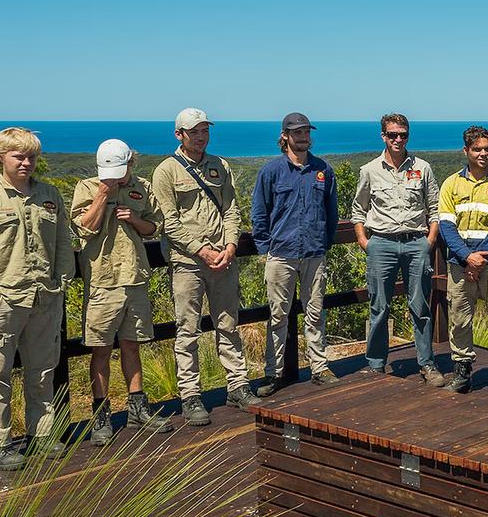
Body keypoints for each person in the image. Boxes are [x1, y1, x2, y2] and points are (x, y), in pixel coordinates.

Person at [0, 127, 75, 470]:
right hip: (3, 302)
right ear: (0, 158)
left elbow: (63, 245)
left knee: (42, 370)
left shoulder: (49, 194)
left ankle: (42, 433)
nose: (26, 163)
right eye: (18, 156)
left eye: (31, 157)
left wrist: (61, 282)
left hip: (45, 298)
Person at [152, 108, 261, 427]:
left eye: (205, 131)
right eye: (194, 131)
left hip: (223, 260)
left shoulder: (220, 166)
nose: (201, 137)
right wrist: (201, 250)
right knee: (187, 329)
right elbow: (168, 223)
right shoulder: (166, 171)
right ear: (179, 134)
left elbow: (231, 210)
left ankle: (238, 385)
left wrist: (229, 247)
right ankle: (190, 395)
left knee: (228, 324)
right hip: (187, 263)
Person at [71, 139, 172, 445]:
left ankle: (137, 407)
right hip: (103, 280)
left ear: (131, 163)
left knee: (132, 344)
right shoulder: (87, 188)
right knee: (100, 349)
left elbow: (157, 226)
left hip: (135, 277)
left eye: (121, 170)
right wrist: (103, 195)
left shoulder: (143, 186)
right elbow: (83, 227)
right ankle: (100, 414)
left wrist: (136, 219)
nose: (116, 176)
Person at [351, 113, 444, 385]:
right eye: (392, 134)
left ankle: (427, 363)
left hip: (416, 243)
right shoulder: (370, 170)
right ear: (383, 136)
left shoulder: (422, 168)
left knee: (420, 305)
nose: (398, 139)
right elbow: (359, 210)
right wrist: (365, 242)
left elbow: (434, 209)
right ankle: (376, 364)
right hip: (381, 243)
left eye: (403, 134)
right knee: (379, 306)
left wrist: (429, 241)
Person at [251, 113, 340, 397]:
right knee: (278, 316)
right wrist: (268, 249)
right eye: (297, 132)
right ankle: (273, 373)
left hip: (314, 253)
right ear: (285, 136)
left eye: (306, 132)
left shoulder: (323, 169)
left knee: (315, 314)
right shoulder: (271, 171)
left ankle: (319, 367)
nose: (303, 137)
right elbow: (259, 213)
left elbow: (332, 213)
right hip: (281, 254)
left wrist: (323, 244)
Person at [438, 126, 488, 399]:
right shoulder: (451, 184)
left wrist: (478, 260)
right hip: (459, 264)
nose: (483, 153)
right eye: (477, 149)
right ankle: (462, 372)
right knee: (460, 320)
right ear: (466, 151)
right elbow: (446, 226)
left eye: (487, 148)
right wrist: (466, 257)